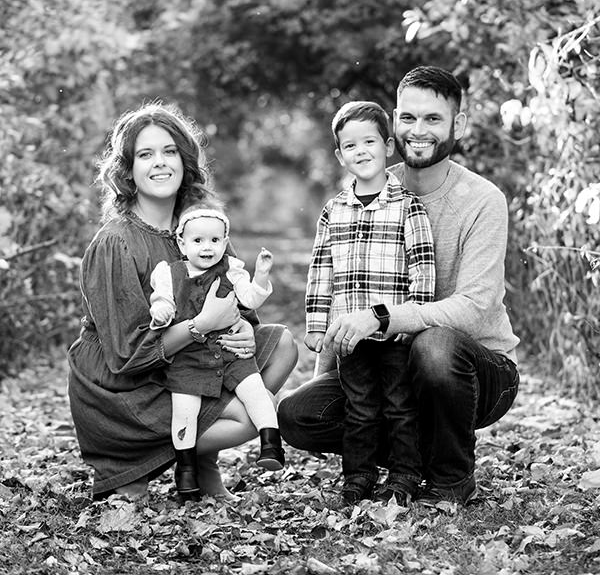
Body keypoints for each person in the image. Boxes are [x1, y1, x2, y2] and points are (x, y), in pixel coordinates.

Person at [279, 65, 520, 507]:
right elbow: (344, 280)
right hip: (380, 364)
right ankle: (410, 461)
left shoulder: (482, 200)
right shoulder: (369, 186)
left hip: (473, 373)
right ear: (394, 122)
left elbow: (475, 306)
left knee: (435, 346)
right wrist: (333, 361)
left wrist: (383, 318)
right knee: (299, 414)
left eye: (433, 119)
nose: (419, 130)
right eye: (408, 118)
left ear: (458, 125)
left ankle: (450, 479)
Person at [67, 101, 297, 500]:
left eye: (169, 151)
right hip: (123, 388)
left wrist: (241, 328)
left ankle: (198, 461)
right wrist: (201, 326)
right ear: (128, 169)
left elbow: (235, 298)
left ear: (185, 160)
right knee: (247, 419)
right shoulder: (116, 242)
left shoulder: (200, 226)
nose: (160, 163)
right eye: (145, 154)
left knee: (284, 347)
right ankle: (142, 462)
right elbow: (125, 356)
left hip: (190, 363)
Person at [304, 101, 435, 505]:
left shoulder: (407, 206)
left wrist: (413, 320)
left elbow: (423, 267)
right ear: (340, 156)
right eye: (350, 145)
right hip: (349, 337)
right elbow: (320, 268)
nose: (361, 151)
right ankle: (357, 476)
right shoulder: (334, 210)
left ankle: (404, 475)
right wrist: (315, 324)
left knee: (400, 406)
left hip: (393, 336)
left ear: (389, 146)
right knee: (359, 408)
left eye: (369, 142)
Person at [149, 201, 285, 495]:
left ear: (225, 243)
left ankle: (271, 443)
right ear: (182, 244)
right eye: (198, 241)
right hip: (190, 358)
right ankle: (185, 472)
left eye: (214, 240)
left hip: (229, 351)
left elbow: (249, 299)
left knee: (256, 391)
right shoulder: (169, 274)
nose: (207, 247)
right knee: (184, 411)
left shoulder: (231, 270)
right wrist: (160, 312)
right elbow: (163, 301)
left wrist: (261, 275)